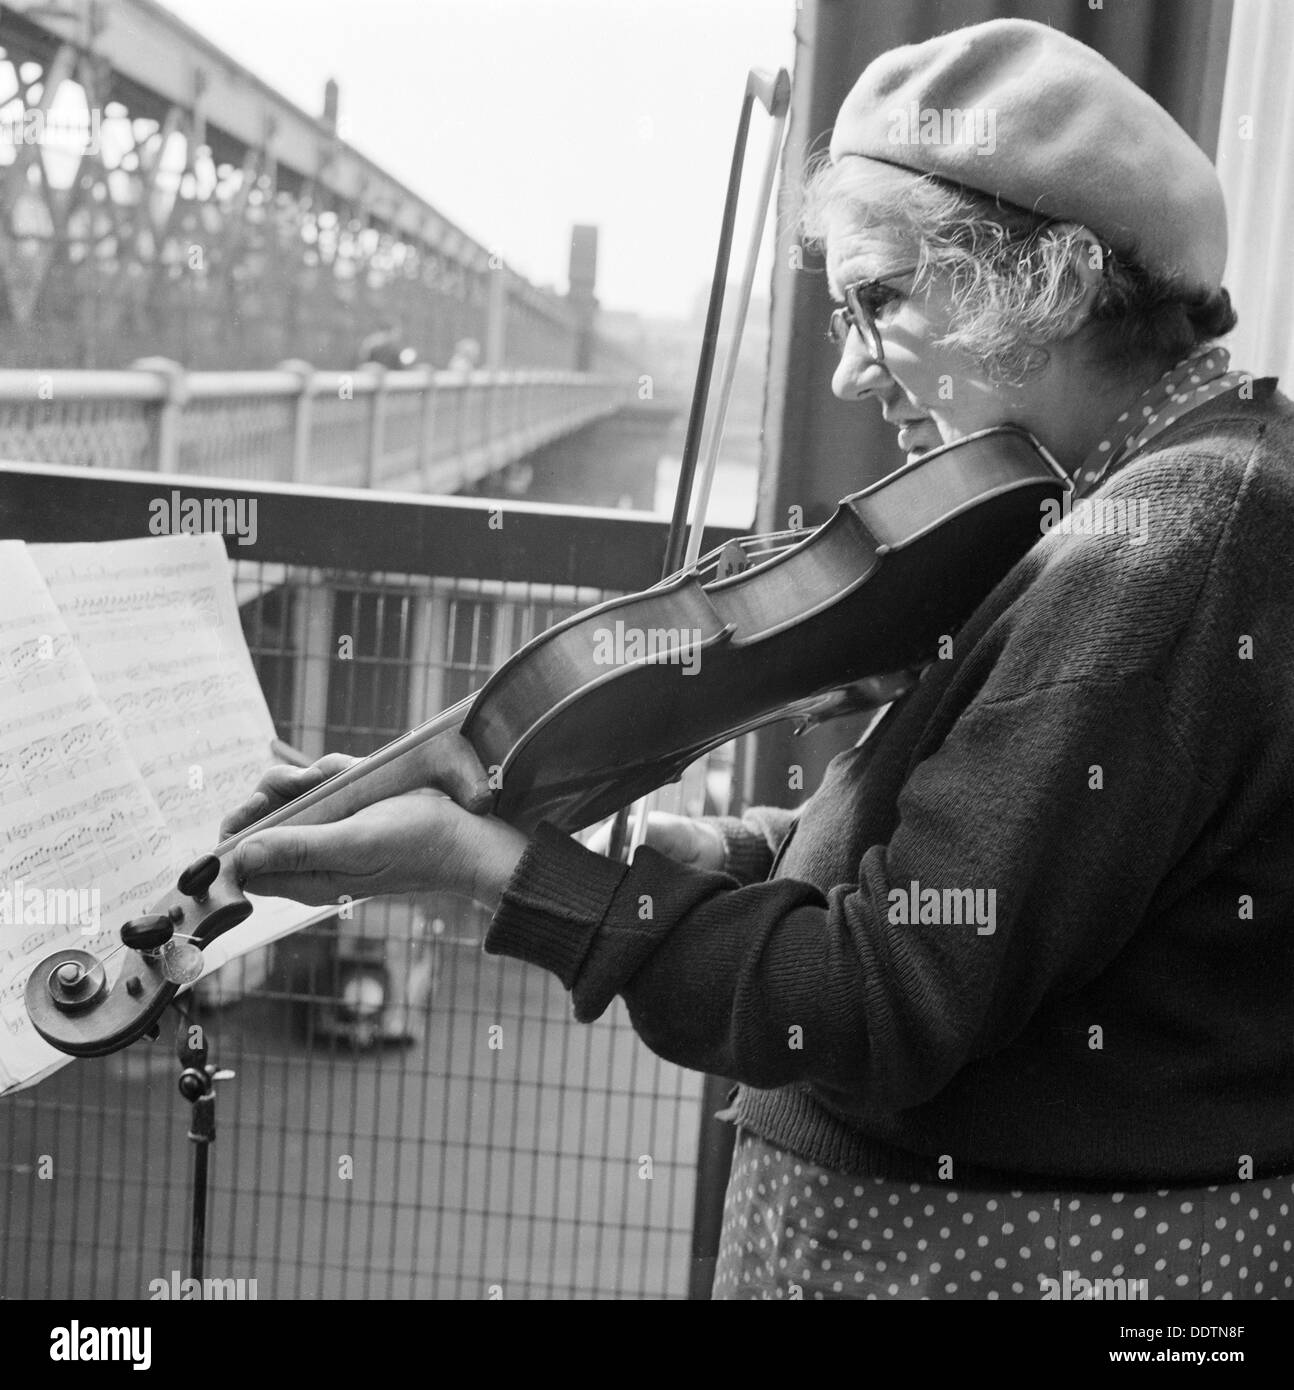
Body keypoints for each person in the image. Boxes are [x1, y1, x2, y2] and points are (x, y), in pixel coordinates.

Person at [220, 19, 1294, 1300]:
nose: (848, 370)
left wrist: (485, 865)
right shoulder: (1141, 501)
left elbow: (876, 998)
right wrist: (743, 852)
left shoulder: (1166, 542)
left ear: (1040, 276)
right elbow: (1019, 882)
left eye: (879, 299)